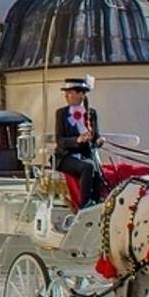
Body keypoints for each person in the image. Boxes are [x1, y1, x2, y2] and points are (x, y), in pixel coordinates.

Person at [55, 76, 105, 208]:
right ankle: (85, 205)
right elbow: (60, 140)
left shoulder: (91, 113)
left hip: (85, 155)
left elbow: (95, 137)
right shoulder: (61, 114)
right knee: (87, 167)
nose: (66, 96)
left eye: (70, 93)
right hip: (66, 156)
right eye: (66, 93)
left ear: (81, 94)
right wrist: (77, 140)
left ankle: (97, 201)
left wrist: (99, 141)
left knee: (95, 168)